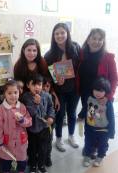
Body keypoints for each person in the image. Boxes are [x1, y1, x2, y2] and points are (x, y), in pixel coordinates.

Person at [76, 28, 118, 159]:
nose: (97, 41)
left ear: (103, 41)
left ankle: (96, 147)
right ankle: (89, 144)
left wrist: (109, 96)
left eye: (100, 39)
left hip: (100, 96)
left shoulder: (108, 57)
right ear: (88, 40)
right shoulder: (82, 53)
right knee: (89, 119)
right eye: (94, 38)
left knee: (100, 121)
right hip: (86, 94)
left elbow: (114, 77)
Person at [44, 23, 81, 152]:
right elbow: (48, 76)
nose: (59, 36)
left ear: (67, 34)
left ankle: (71, 135)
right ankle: (59, 138)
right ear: (53, 36)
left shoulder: (76, 47)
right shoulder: (49, 55)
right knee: (59, 114)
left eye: (62, 32)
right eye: (56, 33)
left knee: (72, 113)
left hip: (74, 89)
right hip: (59, 90)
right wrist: (56, 82)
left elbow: (81, 66)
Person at [0, 80, 32, 173]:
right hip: (7, 141)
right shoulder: (0, 109)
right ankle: (6, 171)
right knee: (6, 159)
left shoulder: (22, 107)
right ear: (4, 94)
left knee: (21, 158)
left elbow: (29, 122)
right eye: (9, 93)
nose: (13, 95)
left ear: (19, 93)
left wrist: (22, 120)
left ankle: (21, 171)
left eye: (15, 92)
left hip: (20, 140)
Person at [77, 76, 115, 167]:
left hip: (103, 130)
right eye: (96, 90)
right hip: (90, 128)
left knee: (103, 145)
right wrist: (80, 116)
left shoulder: (108, 103)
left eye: (101, 91)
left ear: (106, 92)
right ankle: (87, 156)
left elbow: (111, 118)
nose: (98, 93)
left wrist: (111, 132)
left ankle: (100, 157)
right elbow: (85, 108)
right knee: (88, 143)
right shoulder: (89, 98)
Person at [14, 38, 60, 110]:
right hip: (25, 97)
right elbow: (16, 84)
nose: (32, 53)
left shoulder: (42, 62)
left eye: (34, 50)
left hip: (41, 94)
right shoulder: (18, 65)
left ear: (38, 51)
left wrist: (54, 95)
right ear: (23, 51)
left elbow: (47, 80)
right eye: (29, 50)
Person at [23, 73, 55, 173]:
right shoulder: (26, 97)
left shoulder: (46, 95)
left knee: (43, 148)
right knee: (32, 148)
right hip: (32, 129)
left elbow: (51, 107)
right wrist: (36, 103)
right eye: (34, 84)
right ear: (28, 85)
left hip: (44, 128)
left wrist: (51, 117)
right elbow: (28, 114)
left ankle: (41, 166)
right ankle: (33, 166)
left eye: (40, 84)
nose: (37, 87)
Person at [42, 74, 57, 167]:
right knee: (39, 141)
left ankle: (48, 155)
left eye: (47, 86)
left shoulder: (52, 97)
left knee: (49, 140)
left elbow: (55, 110)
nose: (44, 88)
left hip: (50, 125)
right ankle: (38, 155)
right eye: (42, 85)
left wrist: (52, 115)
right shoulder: (36, 97)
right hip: (39, 125)